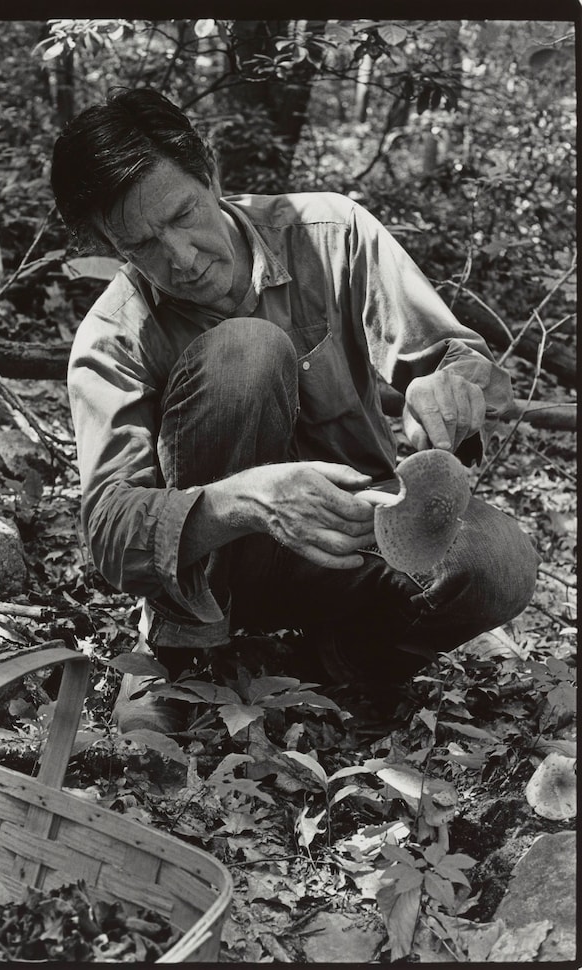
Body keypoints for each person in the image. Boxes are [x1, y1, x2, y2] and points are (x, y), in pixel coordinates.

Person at [51, 88, 539, 734]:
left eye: (184, 215)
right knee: (246, 353)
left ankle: (340, 664)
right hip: (223, 568)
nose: (183, 258)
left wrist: (453, 385)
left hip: (357, 540)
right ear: (114, 246)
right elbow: (109, 530)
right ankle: (190, 657)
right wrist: (247, 500)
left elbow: (464, 363)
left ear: (210, 171)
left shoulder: (331, 233)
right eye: (141, 245)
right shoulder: (115, 335)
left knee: (501, 562)